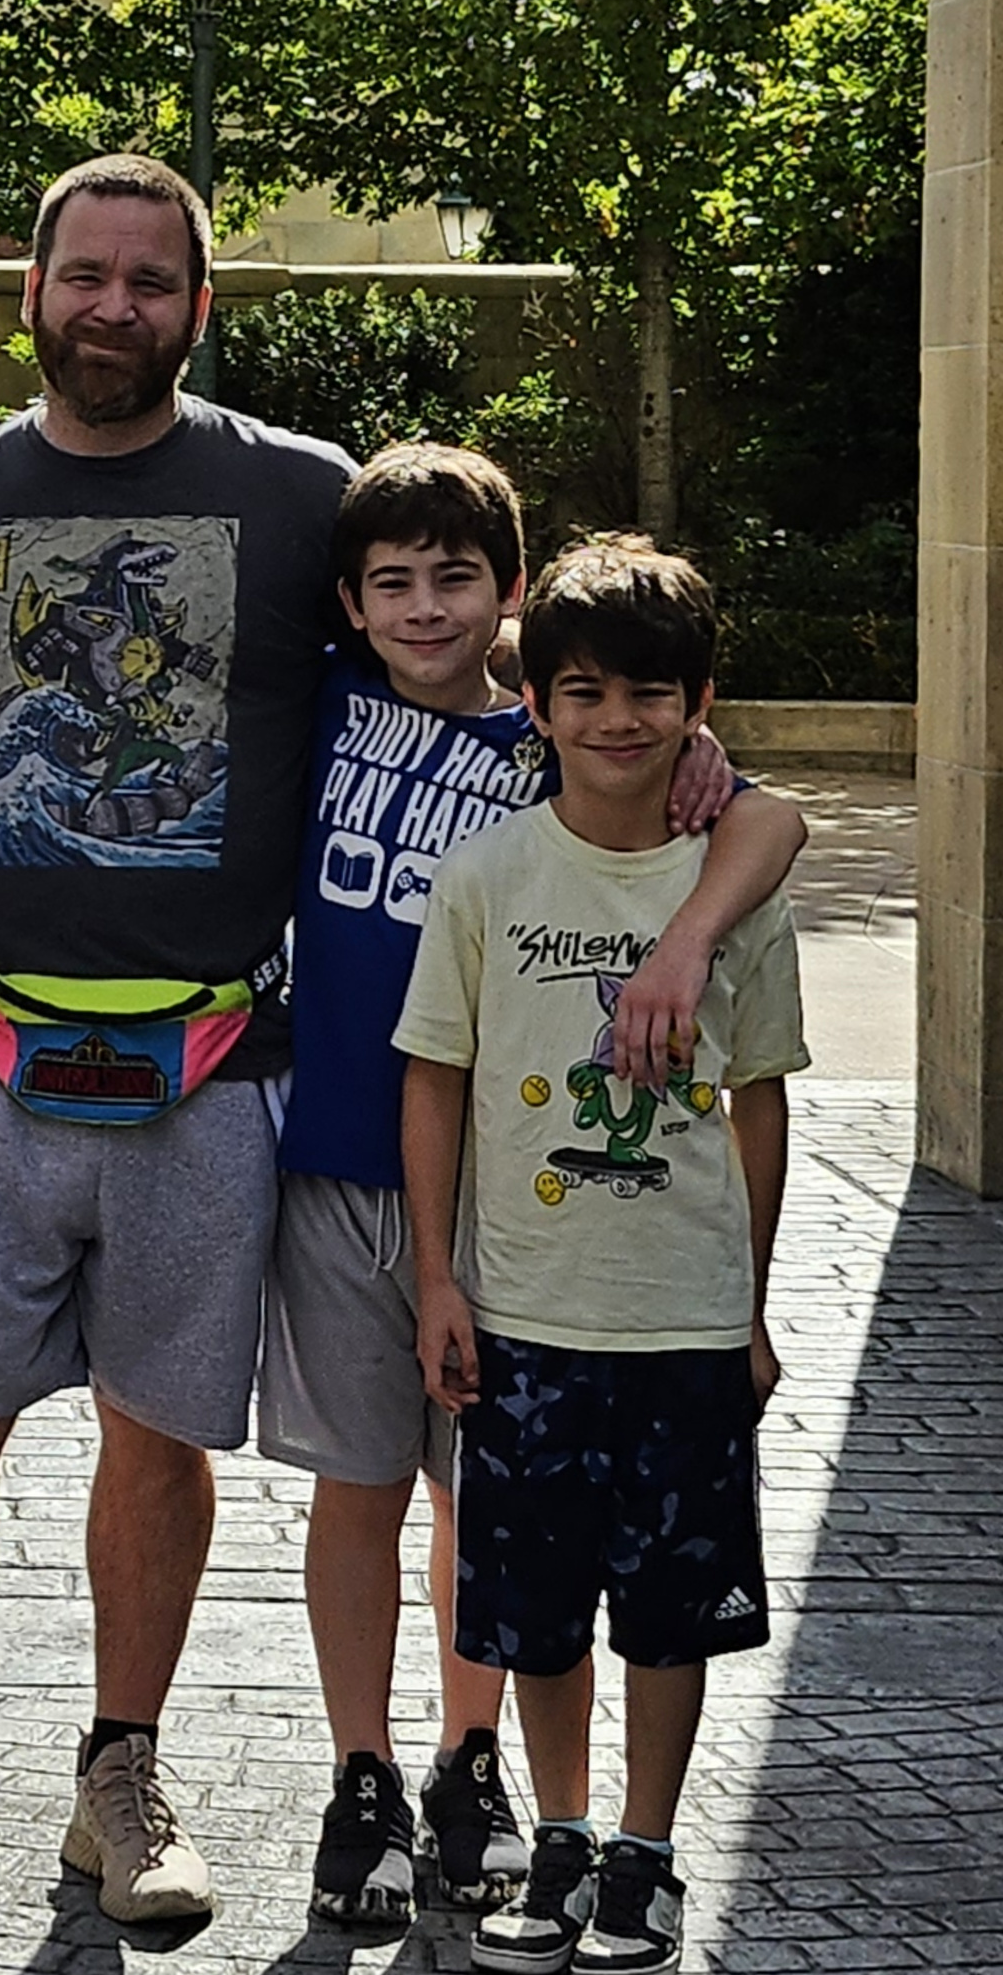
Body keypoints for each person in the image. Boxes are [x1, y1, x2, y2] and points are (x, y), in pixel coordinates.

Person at [0, 153, 355, 1955]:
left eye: (150, 280)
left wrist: (665, 756)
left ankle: (121, 1772)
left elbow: (448, 659)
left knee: (160, 1438)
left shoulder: (301, 497)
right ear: (28, 292)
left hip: (216, 1064)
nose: (114, 307)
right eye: (85, 275)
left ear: (199, 305)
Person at [264, 447, 807, 1931]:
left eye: (458, 578)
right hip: (347, 1159)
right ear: (351, 602)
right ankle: (364, 1773)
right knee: (361, 1483)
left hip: (525, 1216)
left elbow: (767, 818)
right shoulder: (325, 695)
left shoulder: (566, 732)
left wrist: (700, 829)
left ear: (506, 592)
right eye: (393, 582)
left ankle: (477, 1764)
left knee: (489, 1506)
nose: (424, 608)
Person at [399, 535, 804, 1975]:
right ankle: (561, 1837)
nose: (617, 720)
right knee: (538, 1610)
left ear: (700, 705)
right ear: (539, 706)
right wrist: (439, 1279)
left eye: (649, 693)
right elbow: (434, 1076)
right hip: (524, 1315)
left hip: (685, 1323)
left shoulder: (733, 894)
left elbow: (760, 1102)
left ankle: (645, 1852)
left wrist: (750, 1305)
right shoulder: (488, 876)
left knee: (670, 1614)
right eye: (584, 692)